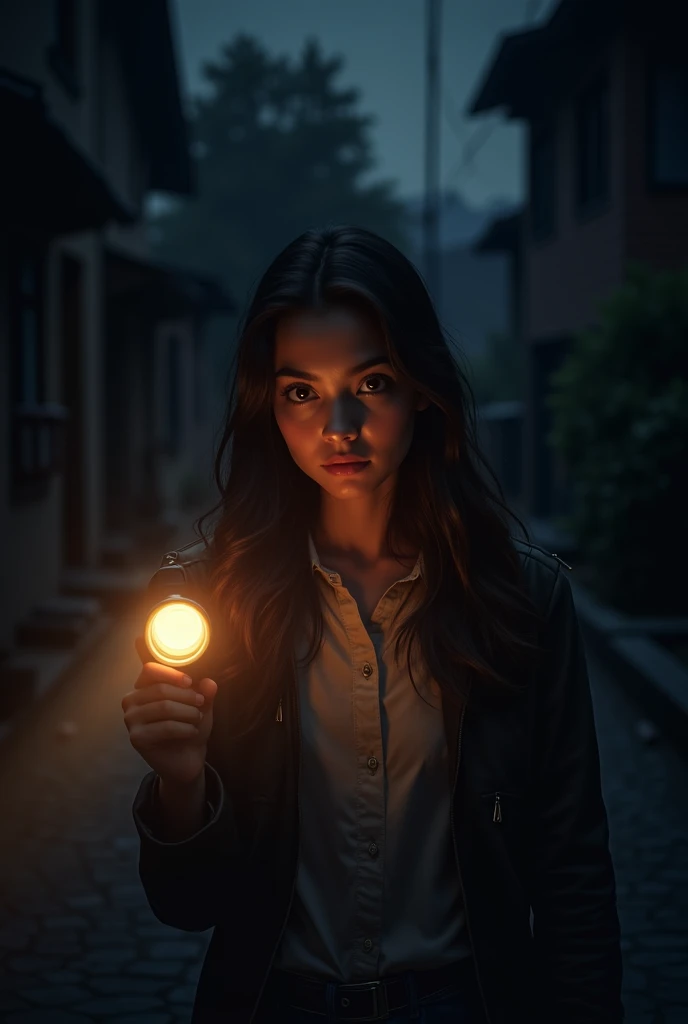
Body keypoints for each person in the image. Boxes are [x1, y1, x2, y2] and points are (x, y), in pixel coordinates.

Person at [122, 225, 624, 1024]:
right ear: (268, 404)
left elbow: (572, 872)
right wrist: (182, 784)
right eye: (301, 392)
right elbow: (188, 906)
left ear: (422, 387)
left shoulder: (524, 601)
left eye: (374, 381)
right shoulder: (209, 605)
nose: (340, 426)